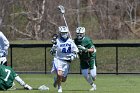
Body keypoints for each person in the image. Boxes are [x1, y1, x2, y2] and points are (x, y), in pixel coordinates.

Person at [51, 26, 79, 93]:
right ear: (60, 33)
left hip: (67, 61)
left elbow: (76, 50)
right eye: (63, 33)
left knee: (63, 79)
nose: (64, 34)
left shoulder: (70, 41)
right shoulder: (57, 41)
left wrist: (74, 55)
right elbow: (52, 52)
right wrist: (53, 49)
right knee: (59, 74)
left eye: (66, 33)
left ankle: (56, 80)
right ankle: (59, 88)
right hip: (59, 59)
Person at [74, 27, 97, 91]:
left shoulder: (87, 40)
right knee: (85, 74)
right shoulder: (75, 41)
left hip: (90, 58)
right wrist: (75, 53)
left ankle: (94, 77)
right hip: (83, 59)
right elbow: (73, 49)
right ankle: (93, 85)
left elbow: (93, 50)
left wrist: (85, 49)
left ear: (83, 33)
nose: (79, 35)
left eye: (80, 34)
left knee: (93, 76)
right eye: (78, 34)